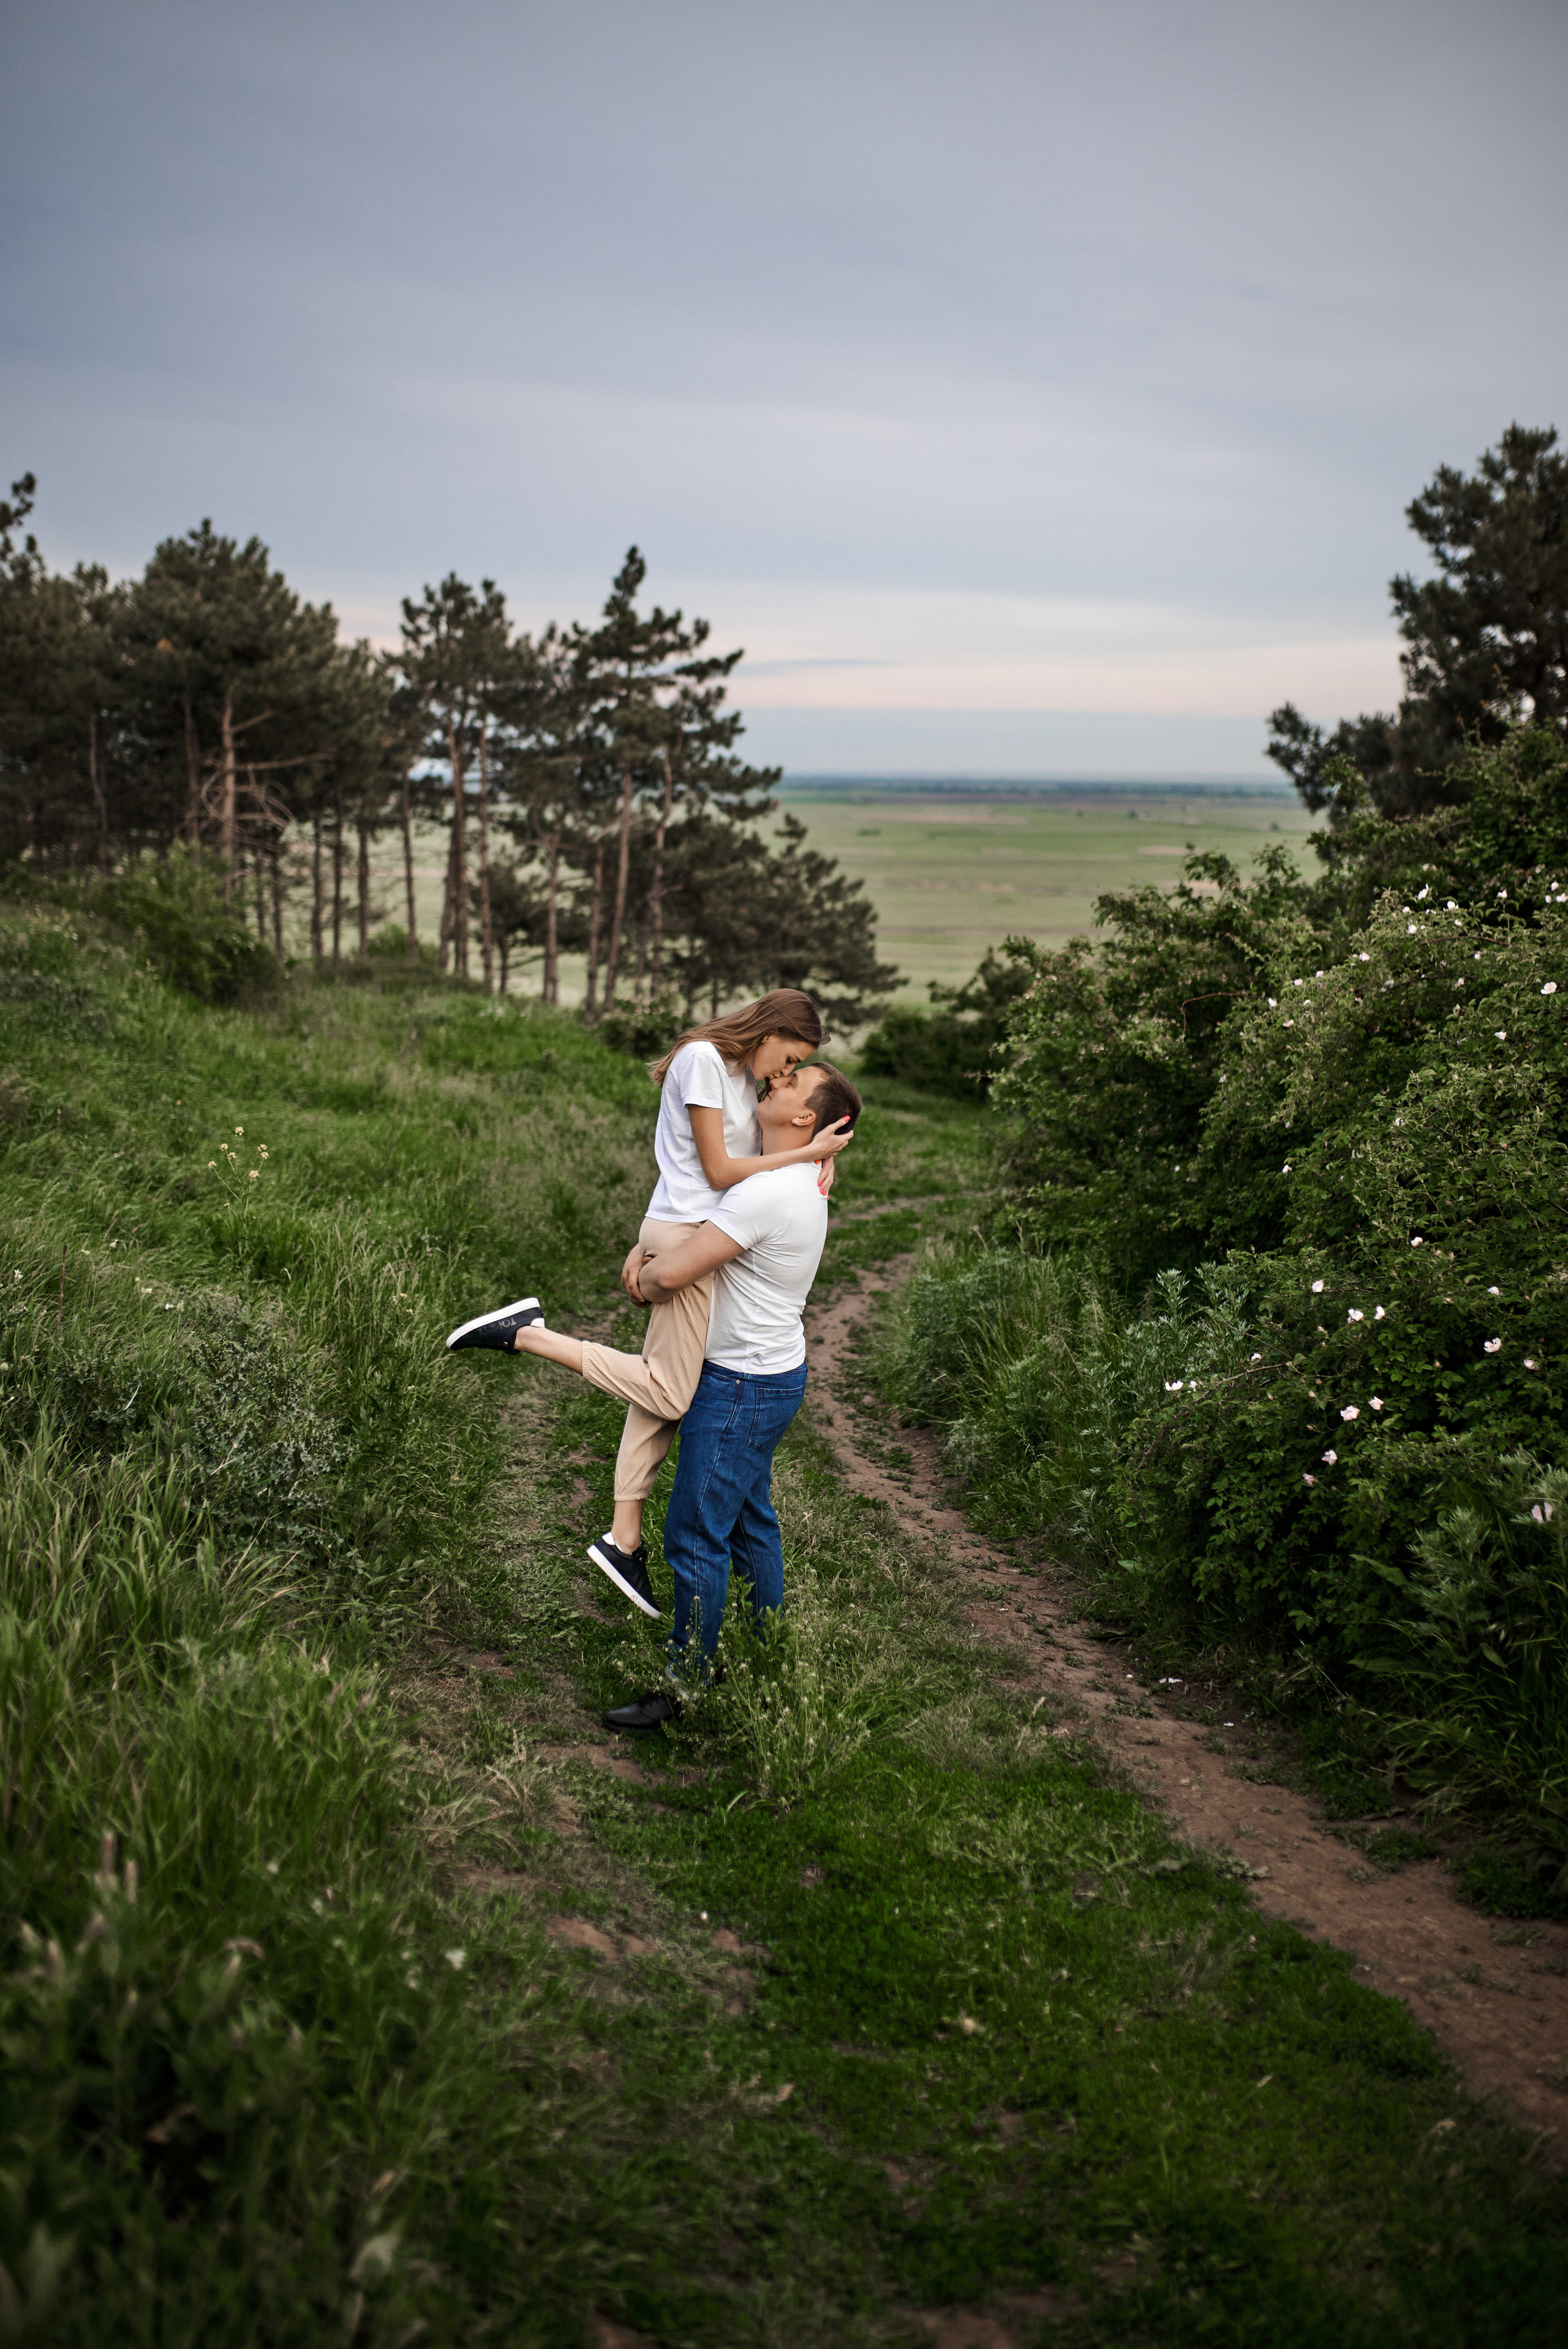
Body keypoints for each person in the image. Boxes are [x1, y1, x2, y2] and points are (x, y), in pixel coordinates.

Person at [445, 1059, 863, 1727]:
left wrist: (641, 1272)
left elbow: (673, 1275)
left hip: (739, 1387)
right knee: (751, 1523)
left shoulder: (769, 1192)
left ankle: (686, 1684)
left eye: (789, 1083)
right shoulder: (793, 1174)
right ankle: (763, 1654)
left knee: (695, 1533)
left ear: (806, 1118)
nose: (774, 1081)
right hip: (769, 1376)